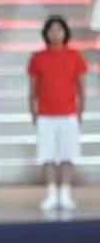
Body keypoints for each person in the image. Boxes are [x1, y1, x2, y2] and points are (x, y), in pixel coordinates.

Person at [29, 16, 87, 213]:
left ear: (65, 33)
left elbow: (81, 88)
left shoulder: (75, 56)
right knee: (48, 155)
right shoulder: (38, 58)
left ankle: (65, 193)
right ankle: (52, 193)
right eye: (51, 30)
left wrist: (80, 111)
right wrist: (33, 111)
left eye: (59, 30)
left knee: (67, 154)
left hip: (68, 113)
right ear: (46, 34)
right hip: (46, 115)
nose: (55, 33)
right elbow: (33, 89)